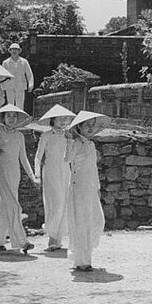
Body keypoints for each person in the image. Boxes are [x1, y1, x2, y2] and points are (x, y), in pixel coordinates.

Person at [0, 104, 39, 254]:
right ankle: (22, 242)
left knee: (6, 207)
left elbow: (23, 158)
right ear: (3, 118)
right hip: (1, 173)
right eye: (8, 116)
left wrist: (32, 176)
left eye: (14, 116)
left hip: (15, 174)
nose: (11, 119)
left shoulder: (19, 136)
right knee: (14, 207)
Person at [65, 111, 109, 271]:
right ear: (79, 127)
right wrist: (69, 142)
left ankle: (84, 256)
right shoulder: (75, 143)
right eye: (87, 125)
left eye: (93, 126)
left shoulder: (91, 145)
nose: (90, 129)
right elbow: (67, 159)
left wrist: (97, 188)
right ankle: (82, 261)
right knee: (81, 222)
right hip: (78, 186)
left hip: (90, 187)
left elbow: (93, 169)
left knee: (96, 220)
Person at [35, 104, 76, 251]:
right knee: (55, 203)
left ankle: (57, 240)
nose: (63, 121)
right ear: (53, 120)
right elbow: (38, 157)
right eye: (60, 118)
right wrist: (37, 175)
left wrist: (70, 142)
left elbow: (69, 159)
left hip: (65, 172)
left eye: (66, 119)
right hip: (50, 172)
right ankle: (51, 236)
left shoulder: (68, 136)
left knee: (64, 204)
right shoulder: (46, 136)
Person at [2, 43, 34, 109]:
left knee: (20, 105)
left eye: (16, 49)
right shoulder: (5, 63)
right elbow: (2, 76)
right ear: (10, 51)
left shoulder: (24, 62)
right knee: (10, 104)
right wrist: (2, 88)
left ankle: (20, 118)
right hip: (9, 86)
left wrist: (31, 84)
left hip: (20, 86)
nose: (14, 51)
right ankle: (11, 118)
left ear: (19, 51)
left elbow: (29, 74)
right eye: (12, 49)